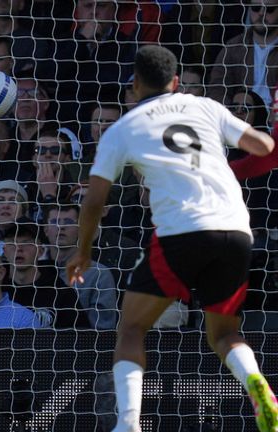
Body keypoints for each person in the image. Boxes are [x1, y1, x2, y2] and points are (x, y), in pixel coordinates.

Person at [65, 45, 278, 432]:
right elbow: (264, 148)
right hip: (235, 228)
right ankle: (257, 383)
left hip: (181, 231)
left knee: (131, 328)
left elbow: (94, 200)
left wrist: (83, 251)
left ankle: (128, 423)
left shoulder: (124, 128)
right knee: (225, 333)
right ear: (177, 82)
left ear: (134, 85)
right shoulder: (205, 107)